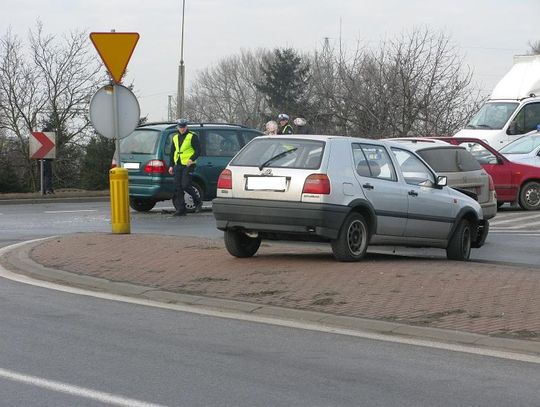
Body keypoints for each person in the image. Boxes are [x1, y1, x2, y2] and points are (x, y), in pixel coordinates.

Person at [168, 119, 202, 216]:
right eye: (180, 127)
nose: (182, 129)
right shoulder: (175, 137)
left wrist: (191, 159)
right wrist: (171, 165)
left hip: (188, 164)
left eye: (183, 127)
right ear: (178, 127)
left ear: (186, 127)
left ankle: (198, 201)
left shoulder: (192, 136)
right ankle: (181, 209)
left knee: (185, 185)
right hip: (178, 164)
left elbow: (198, 150)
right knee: (177, 187)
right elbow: (172, 152)